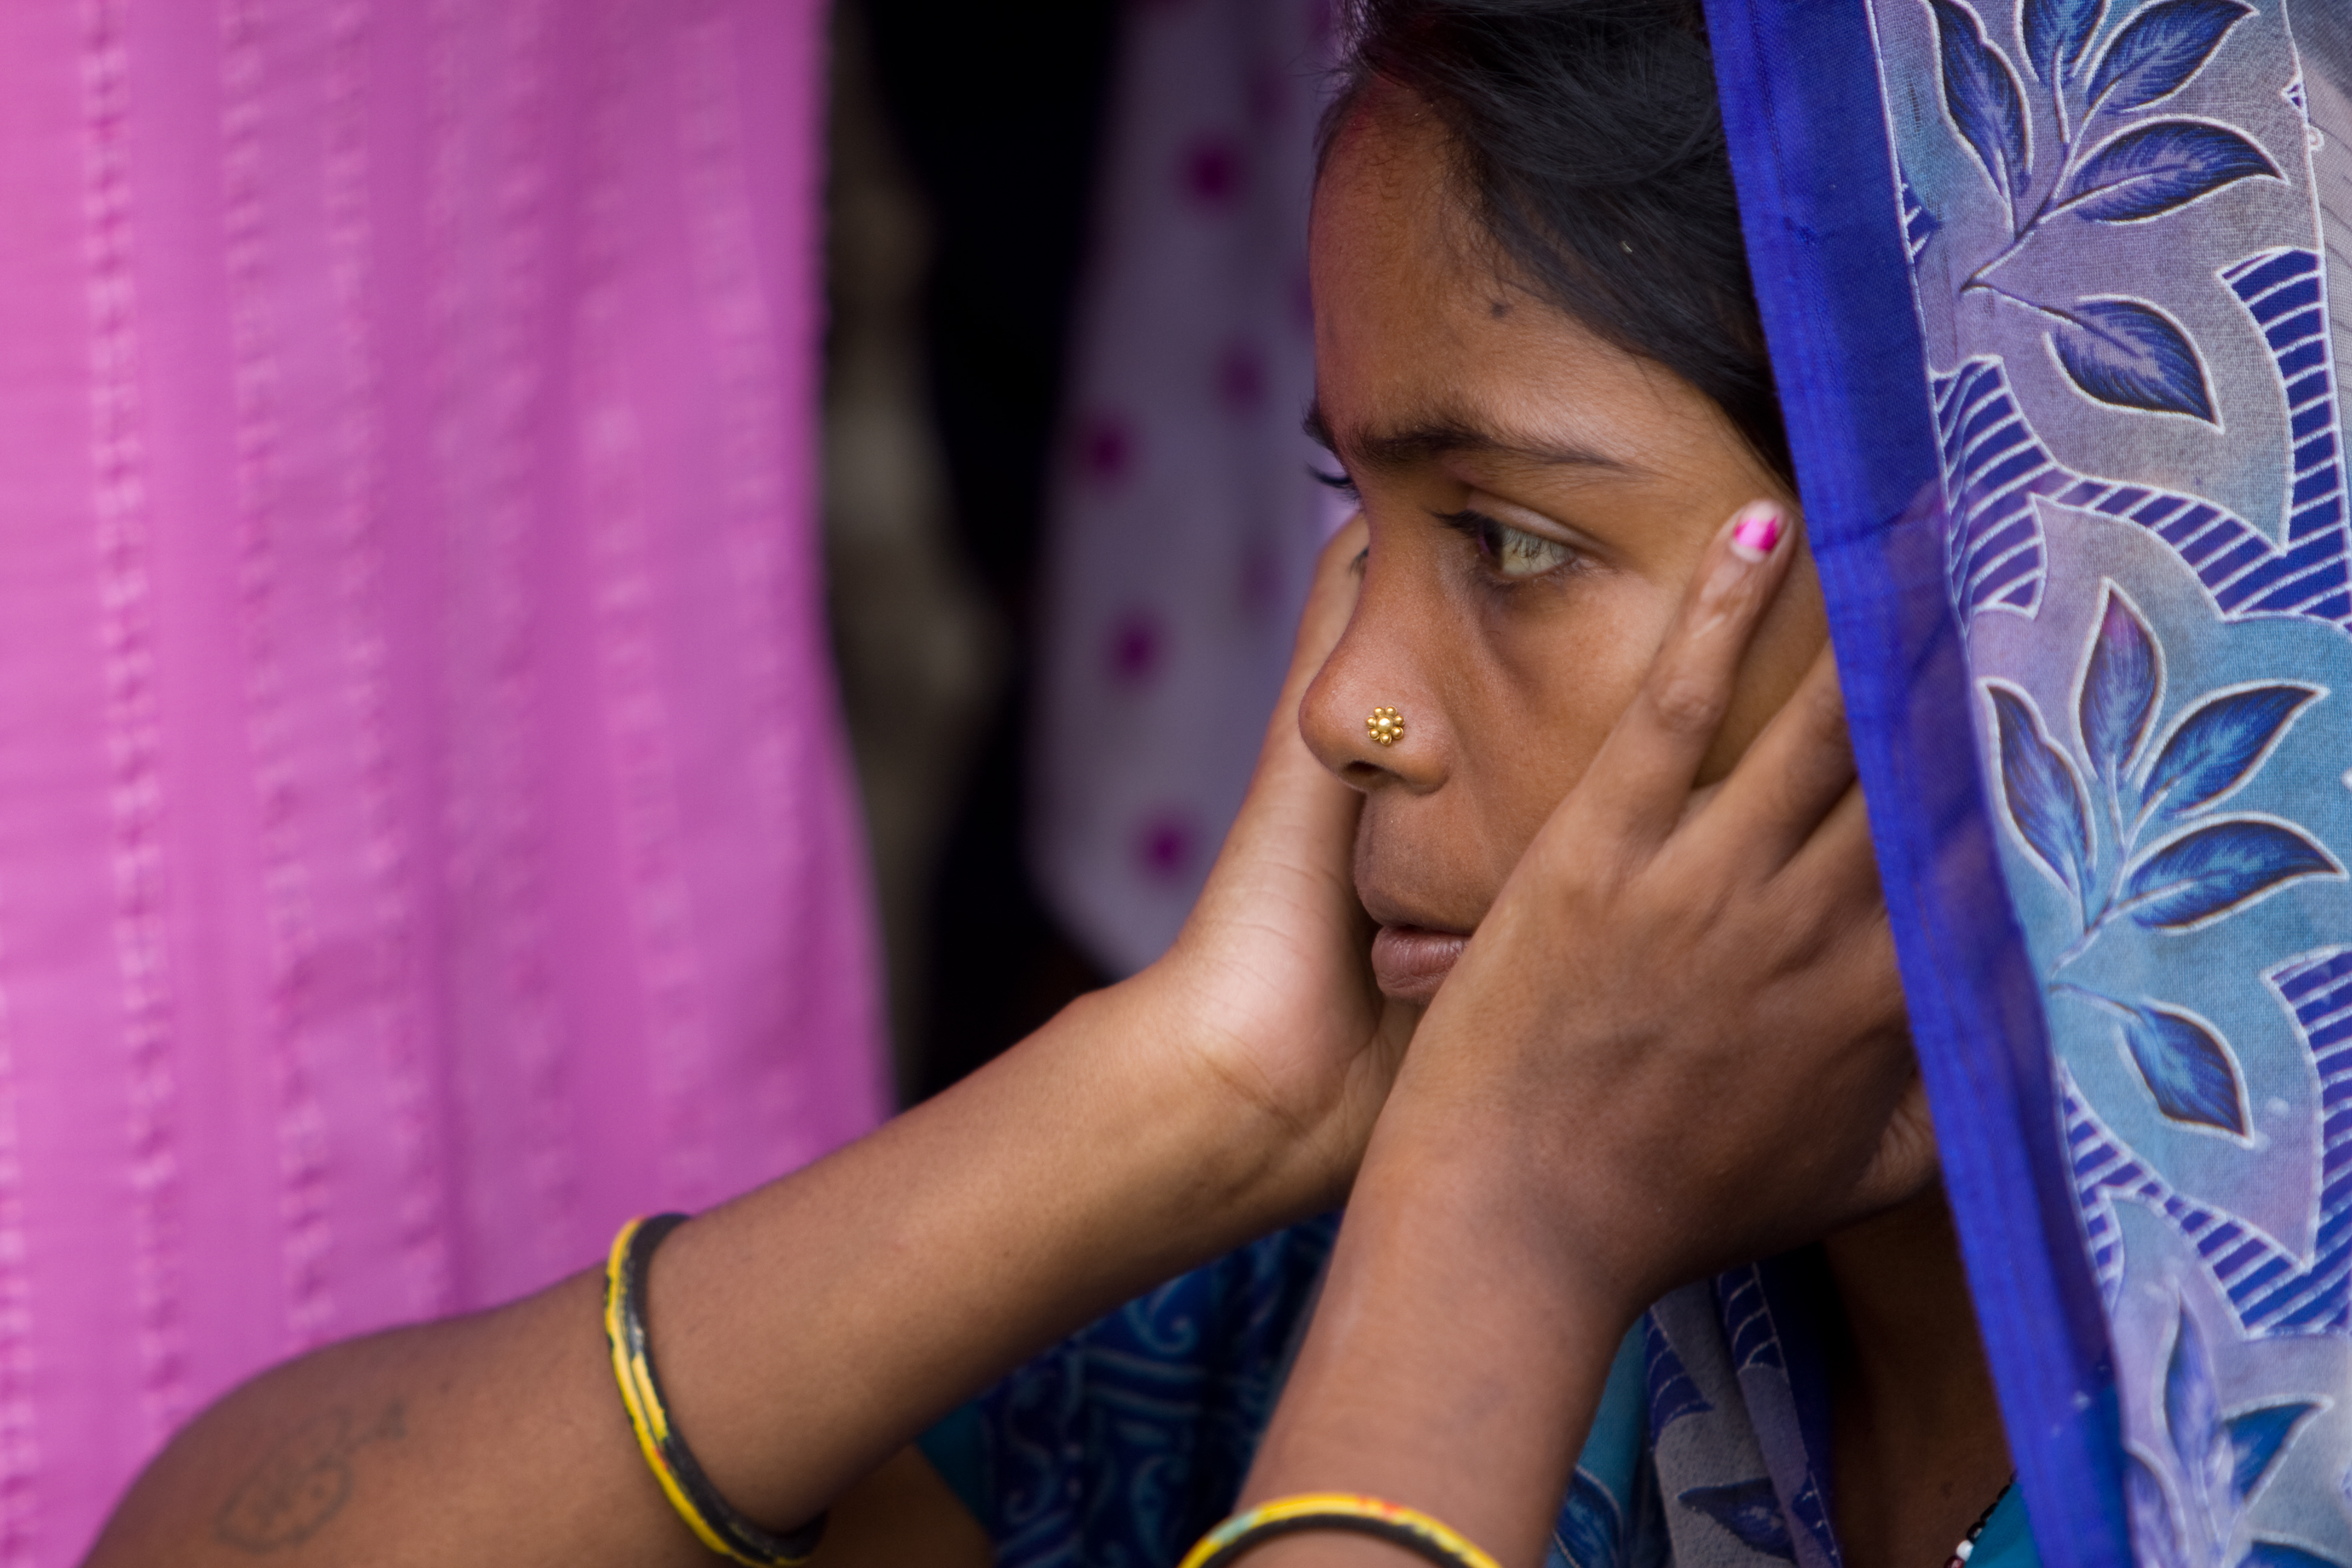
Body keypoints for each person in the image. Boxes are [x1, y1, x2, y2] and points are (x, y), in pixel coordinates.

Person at [83, 4, 2019, 1567]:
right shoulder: (1327, 1279)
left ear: (2014, 594)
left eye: (1511, 541)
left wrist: (1509, 1234)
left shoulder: (2202, 1418)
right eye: (1362, 520)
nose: (1346, 703)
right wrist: (1201, 1094)